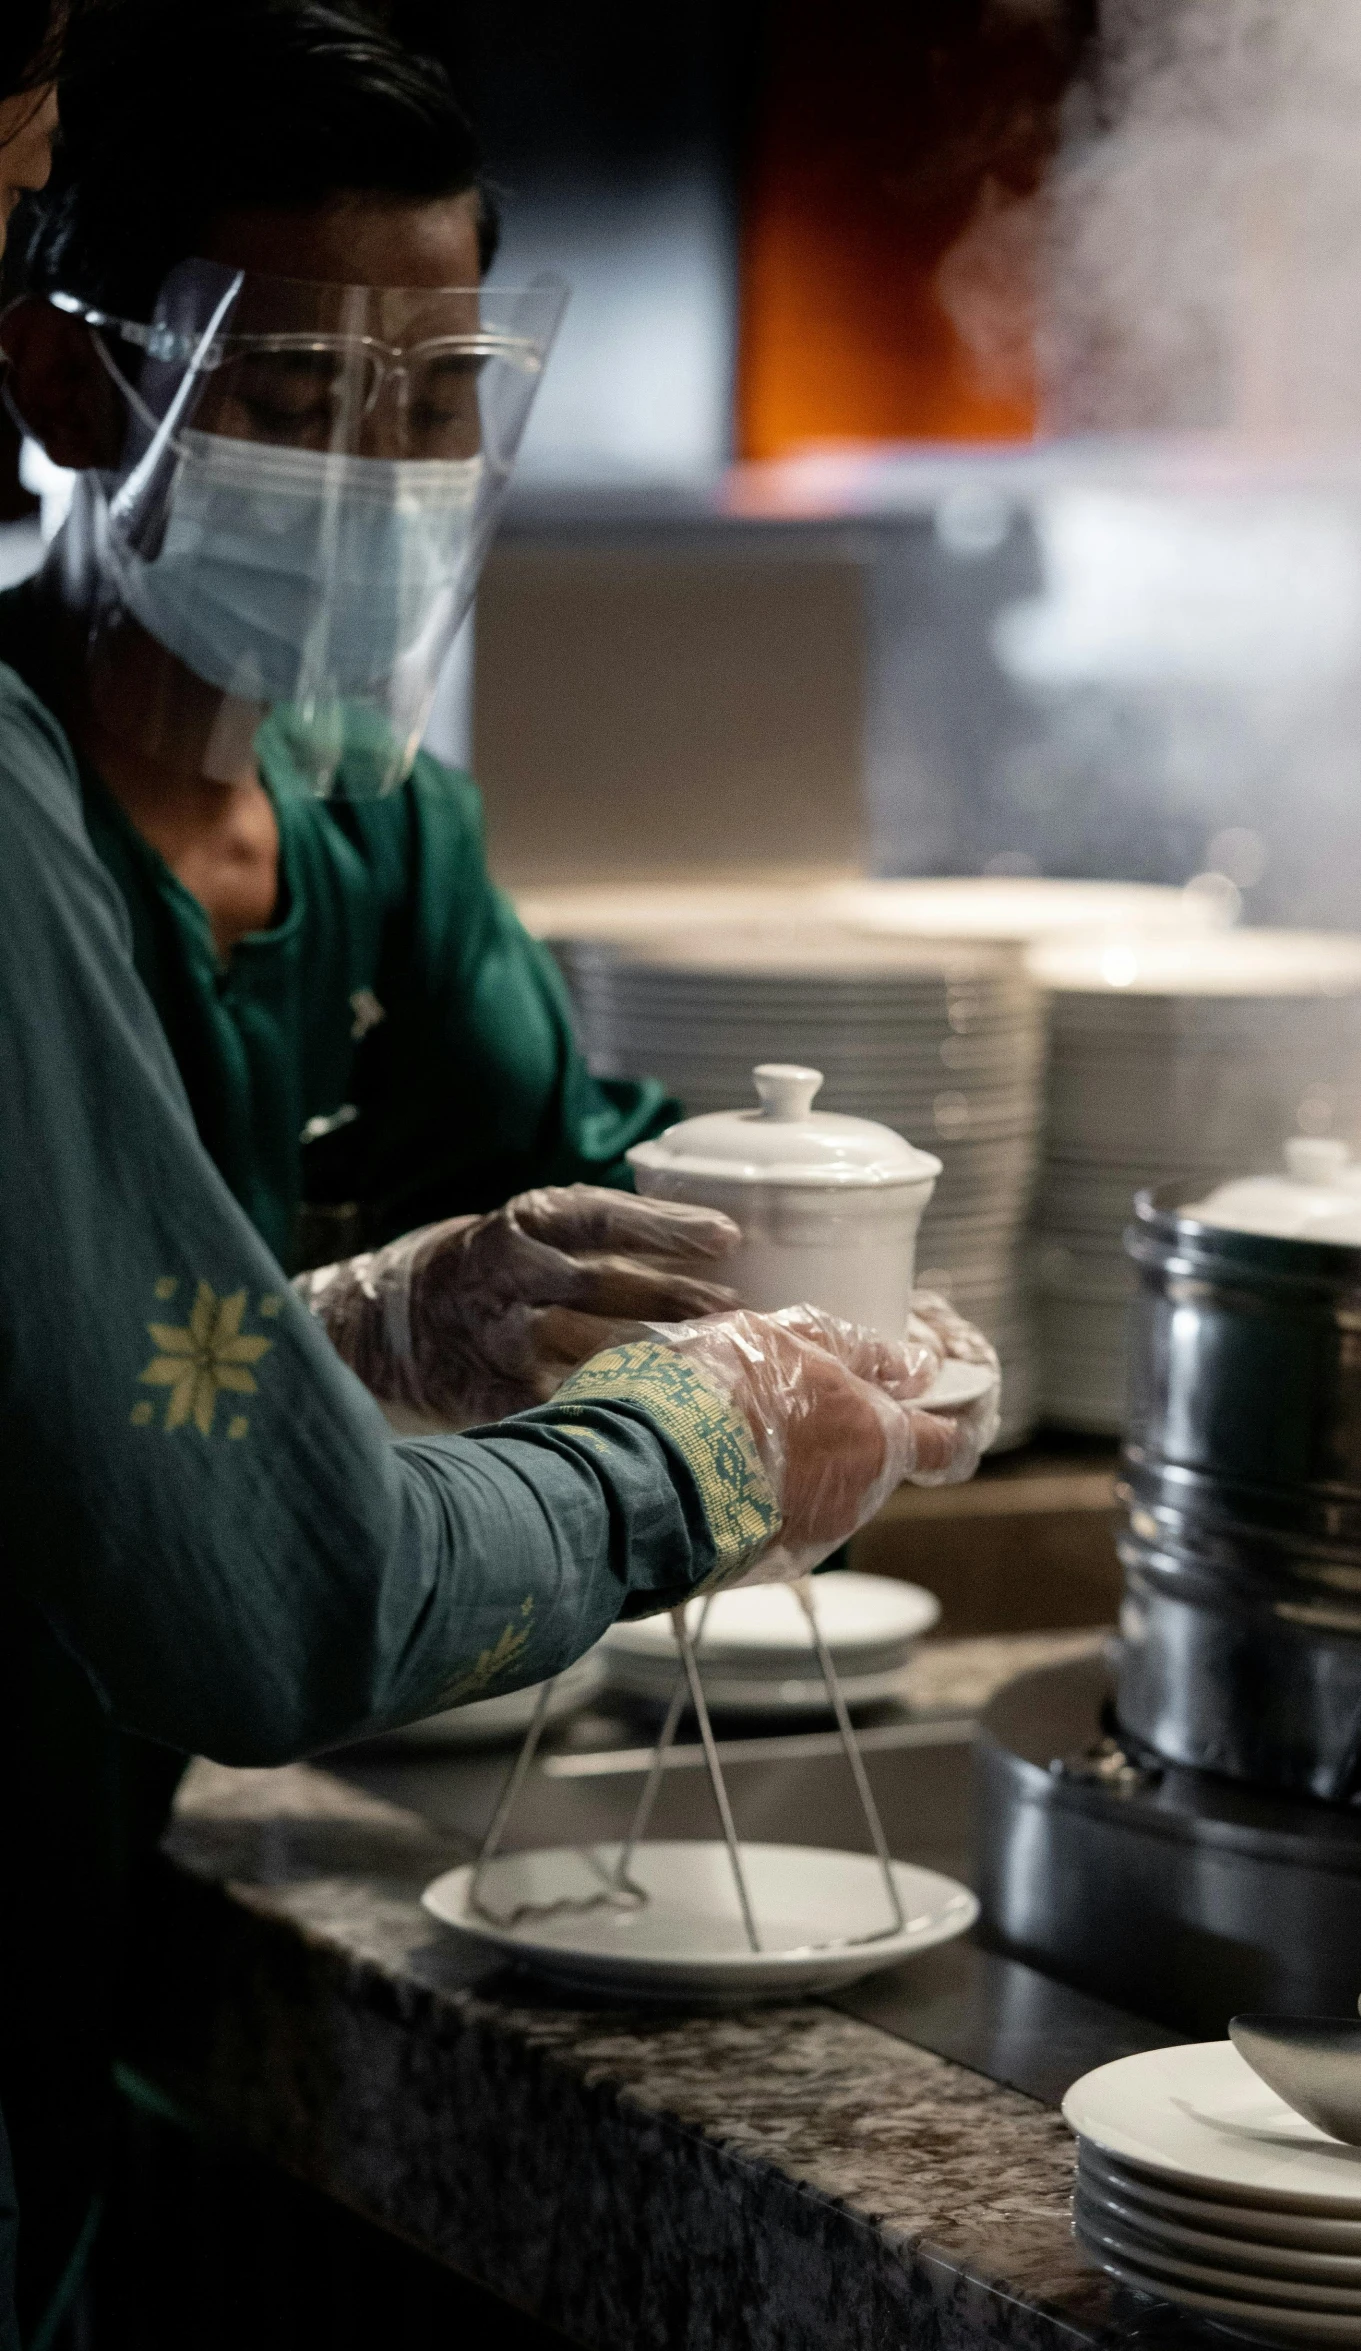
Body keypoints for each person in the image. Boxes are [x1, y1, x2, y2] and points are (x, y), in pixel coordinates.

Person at [0, 6, 994, 2339]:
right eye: (287, 393)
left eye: (432, 394)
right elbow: (265, 1585)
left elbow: (567, 1208)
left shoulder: (371, 819)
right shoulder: (28, 825)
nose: (373, 468)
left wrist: (423, 1305)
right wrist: (704, 1446)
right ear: (65, 380)